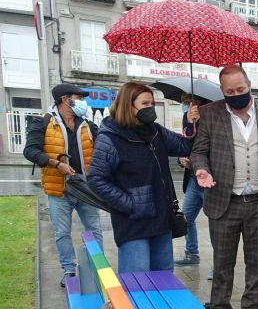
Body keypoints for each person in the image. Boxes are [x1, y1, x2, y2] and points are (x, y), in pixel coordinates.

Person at [190, 65, 258, 309]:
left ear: (250, 85)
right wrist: (201, 169)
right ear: (222, 91)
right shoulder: (210, 114)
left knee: (257, 262)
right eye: (229, 91)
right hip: (224, 200)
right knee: (223, 262)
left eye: (241, 90)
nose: (236, 95)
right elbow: (199, 151)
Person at [88, 82, 196, 273]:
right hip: (133, 225)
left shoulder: (155, 131)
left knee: (163, 282)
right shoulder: (110, 137)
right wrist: (131, 204)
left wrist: (190, 121)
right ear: (128, 105)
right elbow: (96, 179)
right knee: (137, 284)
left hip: (162, 220)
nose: (150, 108)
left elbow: (184, 147)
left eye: (152, 104)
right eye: (145, 104)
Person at [24, 83, 103, 287]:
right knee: (62, 233)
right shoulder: (42, 123)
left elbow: (104, 148)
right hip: (58, 189)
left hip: (86, 188)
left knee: (94, 230)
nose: (83, 102)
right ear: (65, 99)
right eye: (79, 97)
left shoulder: (88, 124)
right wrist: (56, 163)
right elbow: (30, 151)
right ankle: (69, 270)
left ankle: (97, 268)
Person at [175, 92, 207, 267]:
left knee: (217, 225)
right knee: (185, 217)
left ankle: (219, 265)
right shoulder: (186, 118)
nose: (187, 105)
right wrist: (182, 158)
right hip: (193, 178)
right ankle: (192, 254)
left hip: (209, 178)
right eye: (185, 102)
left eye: (189, 102)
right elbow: (185, 143)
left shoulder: (211, 118)